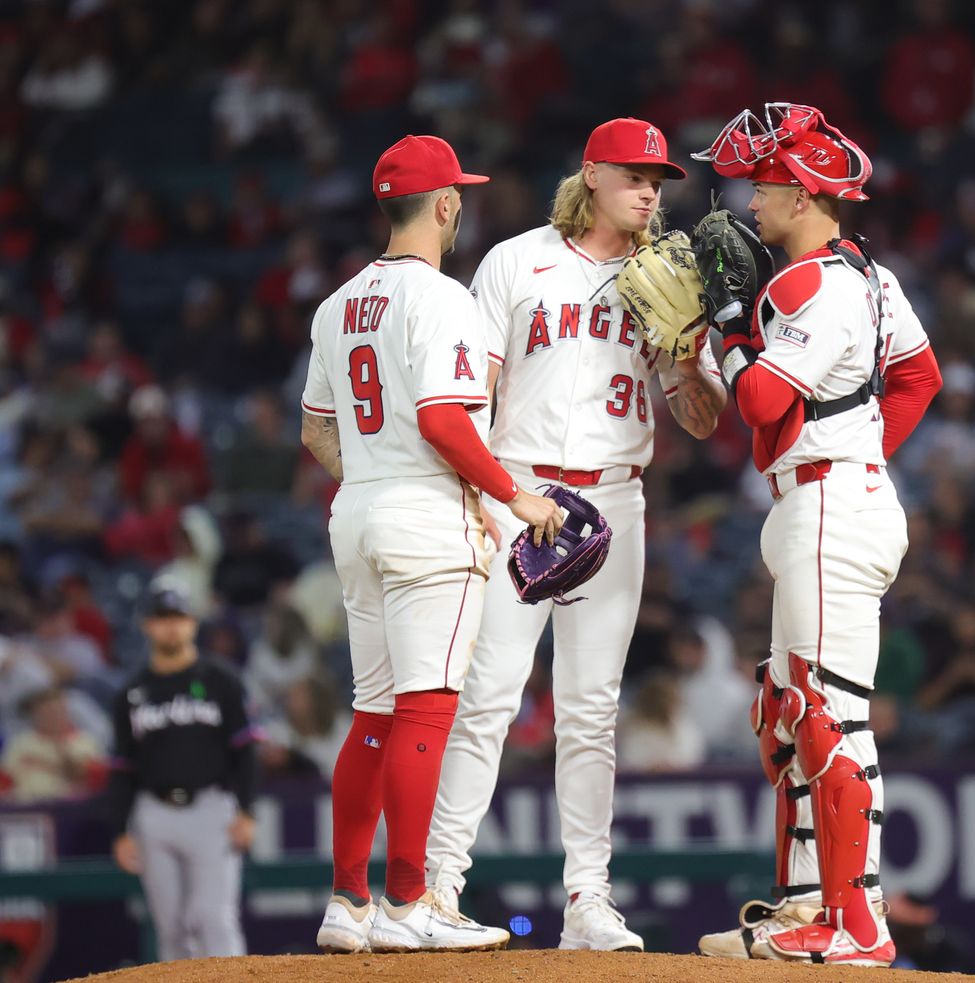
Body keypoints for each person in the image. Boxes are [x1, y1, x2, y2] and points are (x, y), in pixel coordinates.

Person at [424, 117, 726, 951]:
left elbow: (699, 420)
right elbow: (473, 393)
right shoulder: (517, 260)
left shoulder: (663, 272)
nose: (648, 190)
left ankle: (589, 899)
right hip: (521, 492)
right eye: (633, 174)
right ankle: (440, 883)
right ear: (591, 174)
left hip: (616, 500)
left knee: (591, 712)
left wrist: (693, 348)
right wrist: (487, 498)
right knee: (487, 697)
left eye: (658, 179)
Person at [300, 134, 563, 955]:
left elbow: (316, 433)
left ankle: (349, 899)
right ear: (446, 204)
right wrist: (511, 493)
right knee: (427, 707)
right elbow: (445, 419)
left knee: (374, 709)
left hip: (360, 507)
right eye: (460, 197)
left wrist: (378, 477)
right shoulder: (445, 298)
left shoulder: (336, 302)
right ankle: (410, 900)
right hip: (422, 514)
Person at [692, 104, 942, 966]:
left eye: (763, 185)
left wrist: (728, 327)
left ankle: (855, 925)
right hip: (831, 495)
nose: (750, 202)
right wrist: (864, 447)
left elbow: (759, 401)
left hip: (831, 504)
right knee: (786, 714)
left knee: (827, 717)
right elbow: (919, 374)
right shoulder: (870, 275)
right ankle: (808, 905)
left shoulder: (807, 283)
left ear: (802, 195)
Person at [108, 586, 259, 962]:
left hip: (211, 808)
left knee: (213, 917)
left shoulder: (221, 680)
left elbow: (246, 750)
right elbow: (122, 769)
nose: (171, 628)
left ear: (192, 624)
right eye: (162, 619)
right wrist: (119, 832)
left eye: (178, 619)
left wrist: (248, 810)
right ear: (147, 626)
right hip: (153, 812)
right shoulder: (132, 692)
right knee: (171, 926)